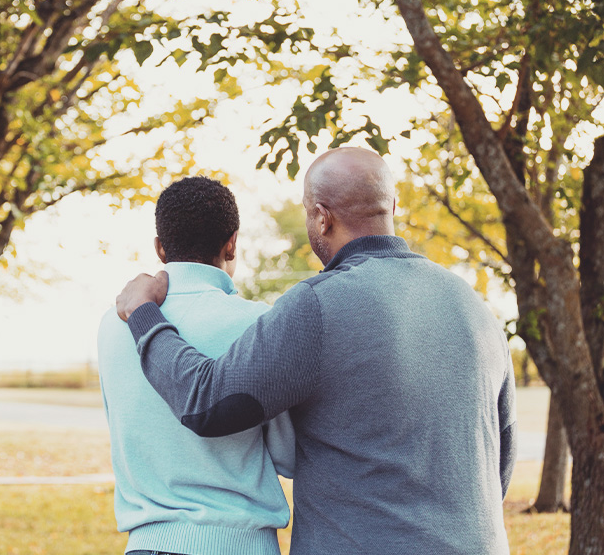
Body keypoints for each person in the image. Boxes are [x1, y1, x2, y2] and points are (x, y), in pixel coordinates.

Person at [115, 147, 517, 555]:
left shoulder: (319, 305)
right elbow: (501, 457)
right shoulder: (478, 309)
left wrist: (144, 314)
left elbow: (207, 402)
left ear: (322, 217)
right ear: (392, 206)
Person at [98, 176, 295, 555]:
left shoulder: (113, 323)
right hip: (238, 545)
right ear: (232, 243)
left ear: (159, 247)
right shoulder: (256, 323)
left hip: (143, 544)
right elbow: (288, 453)